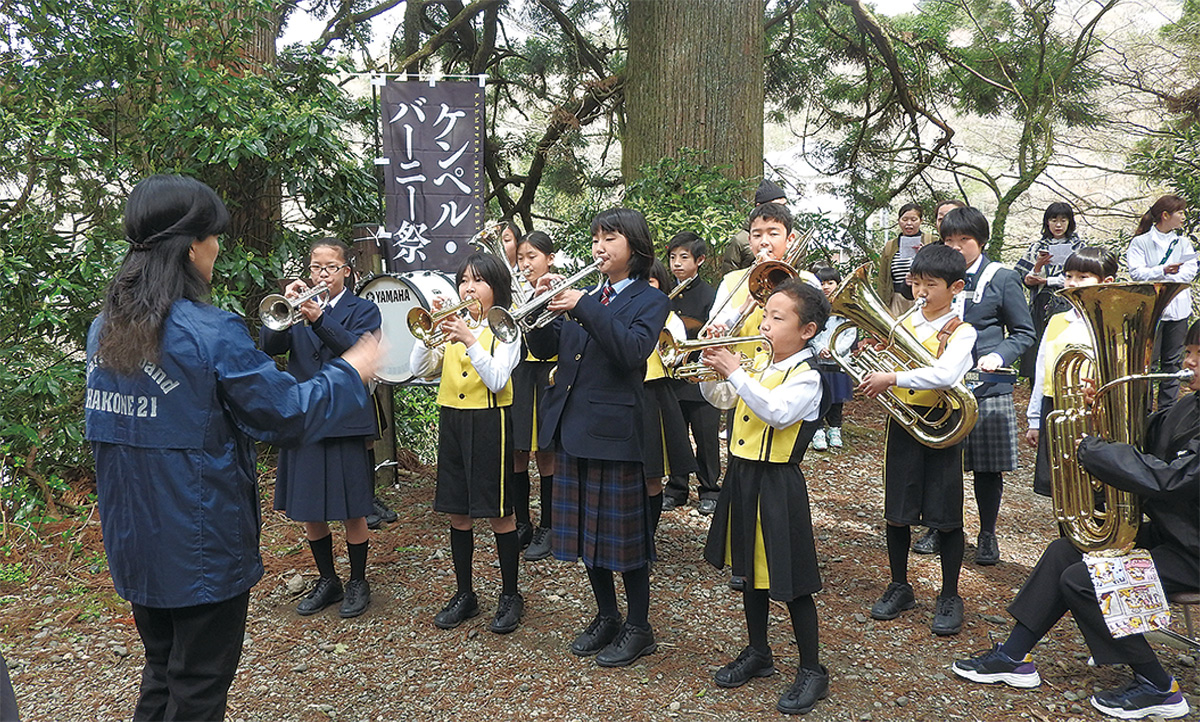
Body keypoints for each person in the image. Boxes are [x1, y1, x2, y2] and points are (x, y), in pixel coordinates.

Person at [85, 175, 378, 720]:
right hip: (200, 544)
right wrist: (351, 370)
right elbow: (284, 414)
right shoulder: (208, 330)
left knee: (162, 673)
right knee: (197, 688)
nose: (217, 249)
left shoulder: (105, 327)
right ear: (193, 245)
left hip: (134, 538)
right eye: (215, 237)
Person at [953, 319, 1199, 720]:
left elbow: (1170, 480)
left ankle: (1159, 685)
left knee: (1083, 581)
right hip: (1175, 535)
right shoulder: (1190, 404)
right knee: (1066, 551)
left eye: (1197, 355)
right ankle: (1014, 656)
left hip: (1194, 551)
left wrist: (1097, 453)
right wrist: (1098, 412)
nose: (1186, 361)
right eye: (1188, 350)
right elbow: (1143, 440)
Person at [524, 208, 669, 668]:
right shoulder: (588, 295)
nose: (599, 247)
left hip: (614, 433)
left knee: (625, 541)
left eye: (610, 238)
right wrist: (542, 310)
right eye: (596, 239)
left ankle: (639, 626)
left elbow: (631, 354)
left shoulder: (650, 300)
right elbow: (548, 350)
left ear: (636, 247)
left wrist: (581, 306)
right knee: (589, 535)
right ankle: (607, 614)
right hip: (573, 428)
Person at [700, 279, 832, 715]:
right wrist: (715, 367)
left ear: (807, 330)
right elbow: (720, 398)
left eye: (778, 318)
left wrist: (735, 371)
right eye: (765, 314)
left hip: (778, 483)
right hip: (742, 476)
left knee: (791, 580)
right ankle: (759, 651)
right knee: (748, 572)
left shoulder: (808, 376)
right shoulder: (757, 360)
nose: (765, 324)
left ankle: (812, 669)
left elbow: (777, 413)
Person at [260, 238, 382, 620]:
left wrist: (319, 318)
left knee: (353, 507)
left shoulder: (364, 309)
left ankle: (358, 580)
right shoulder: (295, 308)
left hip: (345, 418)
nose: (321, 274)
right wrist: (287, 304)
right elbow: (271, 346)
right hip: (304, 416)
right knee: (310, 507)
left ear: (346, 271)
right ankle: (327, 578)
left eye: (330, 268)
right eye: (315, 267)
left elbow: (357, 351)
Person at [859, 243, 977, 636]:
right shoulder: (903, 323)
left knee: (945, 513)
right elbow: (888, 359)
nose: (921, 291)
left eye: (931, 284)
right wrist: (873, 354)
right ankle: (899, 584)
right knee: (898, 507)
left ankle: (949, 593)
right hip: (904, 424)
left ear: (956, 287)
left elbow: (944, 375)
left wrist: (891, 377)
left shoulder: (962, 331)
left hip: (942, 426)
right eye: (916, 282)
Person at [914, 207, 1036, 566]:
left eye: (963, 240)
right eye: (948, 240)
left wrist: (999, 355)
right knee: (941, 462)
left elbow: (1024, 332)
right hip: (940, 387)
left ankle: (987, 532)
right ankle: (939, 525)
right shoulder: (933, 276)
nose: (955, 247)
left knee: (986, 466)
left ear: (980, 241)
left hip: (986, 386)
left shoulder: (1001, 277)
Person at [410, 252, 524, 634]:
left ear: (496, 288)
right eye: (463, 280)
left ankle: (510, 595)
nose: (468, 288)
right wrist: (429, 331)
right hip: (453, 420)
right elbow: (420, 369)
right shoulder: (455, 324)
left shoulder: (506, 328)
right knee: (457, 510)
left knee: (499, 512)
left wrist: (470, 339)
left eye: (478, 280)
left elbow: (497, 380)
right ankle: (465, 593)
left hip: (491, 420)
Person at [1024, 247, 1117, 497]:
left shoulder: (1116, 322)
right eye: (1069, 275)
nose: (1073, 283)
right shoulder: (1057, 321)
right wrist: (1034, 420)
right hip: (1056, 407)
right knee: (1062, 486)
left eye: (1082, 276)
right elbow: (1041, 371)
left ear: (1106, 282)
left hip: (1097, 412)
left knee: (1097, 486)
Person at [663, 232, 720, 513]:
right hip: (671, 380)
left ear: (700, 260)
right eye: (673, 257)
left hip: (701, 379)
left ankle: (710, 488)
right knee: (676, 436)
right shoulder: (663, 296)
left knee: (706, 438)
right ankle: (676, 487)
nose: (676, 264)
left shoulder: (712, 295)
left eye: (683, 257)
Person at [1126, 194, 1197, 411]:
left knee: (1173, 362)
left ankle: (1167, 410)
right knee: (1148, 363)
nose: (1183, 217)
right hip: (1151, 311)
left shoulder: (1183, 242)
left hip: (1179, 310)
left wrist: (1166, 276)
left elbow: (1190, 271)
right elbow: (1136, 273)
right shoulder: (1141, 242)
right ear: (1165, 215)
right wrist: (1163, 270)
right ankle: (1145, 412)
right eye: (1180, 213)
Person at [512, 231, 559, 562]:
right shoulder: (514, 294)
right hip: (518, 373)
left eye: (533, 256)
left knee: (546, 452)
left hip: (548, 373)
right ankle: (521, 522)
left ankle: (549, 525)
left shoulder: (560, 289)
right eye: (521, 258)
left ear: (550, 259)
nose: (526, 263)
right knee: (516, 450)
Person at [643, 260, 697, 535]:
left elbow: (676, 358)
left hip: (655, 396)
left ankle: (647, 538)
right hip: (624, 394)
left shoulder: (670, 319)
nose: (646, 286)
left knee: (653, 474)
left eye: (651, 281)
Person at [1014, 203, 1085, 378]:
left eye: (1063, 220)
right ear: (1047, 222)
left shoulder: (1080, 247)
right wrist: (1036, 268)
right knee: (1038, 348)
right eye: (1054, 220)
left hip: (1070, 304)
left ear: (1070, 222)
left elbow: (1084, 275)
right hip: (1040, 304)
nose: (1058, 225)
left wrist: (1047, 280)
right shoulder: (1036, 247)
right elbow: (1020, 275)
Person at [810, 265, 855, 451]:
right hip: (819, 362)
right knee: (818, 397)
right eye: (821, 283)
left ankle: (835, 429)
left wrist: (835, 350)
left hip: (839, 363)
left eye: (830, 282)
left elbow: (850, 333)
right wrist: (820, 348)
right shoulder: (815, 309)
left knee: (837, 400)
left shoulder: (846, 309)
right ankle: (818, 430)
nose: (826, 286)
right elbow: (811, 332)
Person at [719, 179, 787, 276]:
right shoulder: (739, 240)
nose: (782, 210)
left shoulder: (794, 236)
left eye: (784, 205)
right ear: (759, 206)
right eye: (776, 206)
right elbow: (730, 276)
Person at [876, 203, 932, 317]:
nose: (909, 223)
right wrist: (882, 304)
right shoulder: (890, 246)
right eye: (905, 219)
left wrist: (925, 253)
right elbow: (883, 277)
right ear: (899, 221)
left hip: (923, 296)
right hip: (897, 299)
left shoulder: (930, 241)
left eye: (913, 219)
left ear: (921, 221)